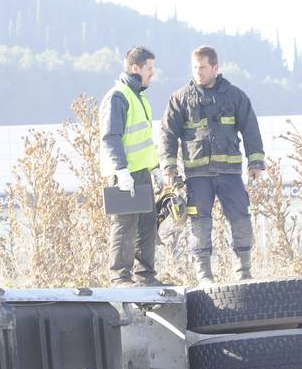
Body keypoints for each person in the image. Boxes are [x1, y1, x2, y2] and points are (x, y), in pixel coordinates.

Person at [159, 45, 266, 284]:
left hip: (230, 174)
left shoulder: (236, 96)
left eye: (203, 67)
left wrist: (256, 161)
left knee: (240, 218)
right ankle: (204, 275)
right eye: (195, 68)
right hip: (197, 176)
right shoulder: (180, 99)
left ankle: (244, 272)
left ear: (216, 68)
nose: (198, 72)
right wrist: (169, 168)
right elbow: (167, 134)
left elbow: (251, 129)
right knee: (199, 223)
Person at [101, 46, 163, 288]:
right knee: (124, 226)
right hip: (125, 175)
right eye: (149, 68)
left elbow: (144, 139)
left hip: (143, 172)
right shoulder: (118, 96)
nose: (152, 74)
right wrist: (121, 170)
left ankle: (145, 275)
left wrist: (155, 167)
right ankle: (120, 277)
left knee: (148, 224)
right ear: (134, 68)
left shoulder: (139, 96)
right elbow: (110, 137)